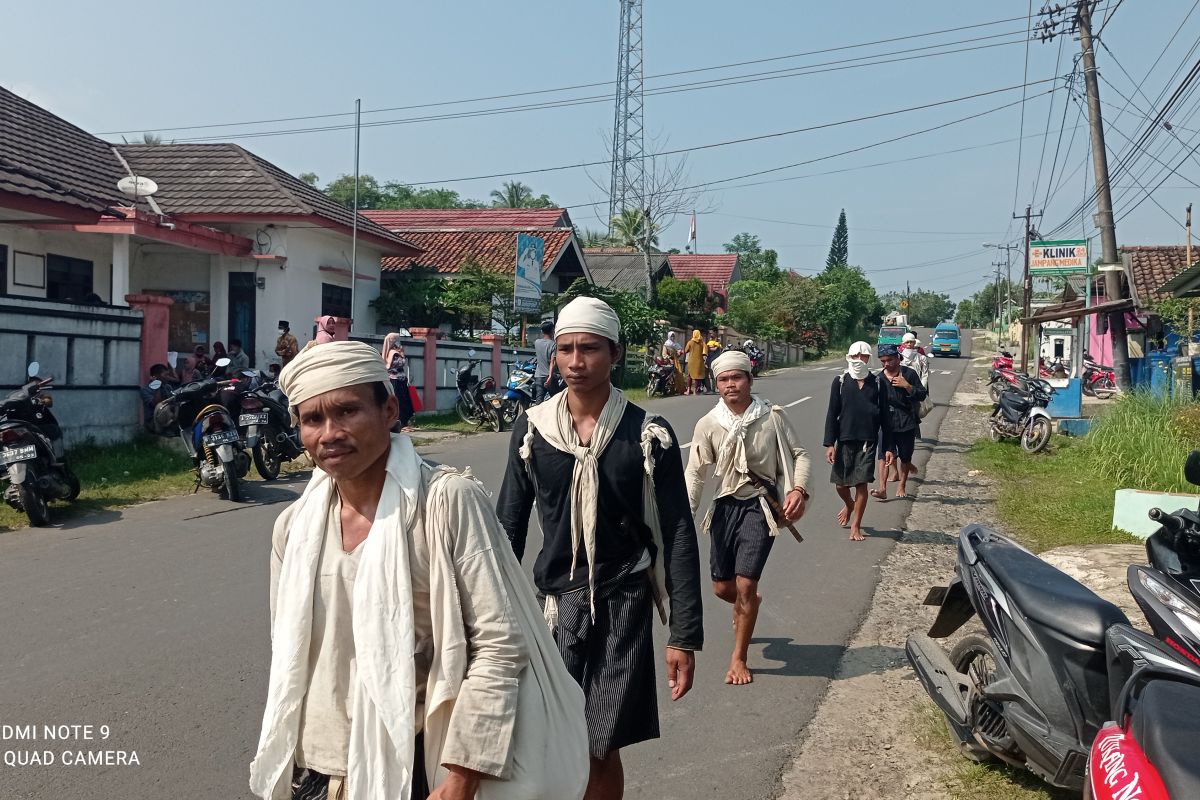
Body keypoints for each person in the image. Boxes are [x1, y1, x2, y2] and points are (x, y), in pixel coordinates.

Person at [250, 340, 588, 800]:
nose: (330, 433)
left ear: (389, 410)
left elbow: (500, 644)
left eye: (347, 412)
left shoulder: (445, 503)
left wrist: (463, 775)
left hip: (421, 765)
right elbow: (289, 650)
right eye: (313, 419)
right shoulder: (293, 528)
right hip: (321, 767)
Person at [497, 296, 704, 800]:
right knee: (547, 737)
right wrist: (488, 615)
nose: (575, 361)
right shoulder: (533, 430)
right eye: (565, 349)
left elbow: (678, 531)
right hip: (554, 605)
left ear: (616, 353)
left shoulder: (646, 435)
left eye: (589, 348)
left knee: (599, 744)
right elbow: (508, 527)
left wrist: (684, 635)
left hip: (623, 598)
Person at [685, 350, 810, 685]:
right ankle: (748, 603)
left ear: (749, 380)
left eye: (736, 377)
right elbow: (696, 473)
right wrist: (684, 517)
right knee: (721, 587)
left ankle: (738, 658)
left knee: (745, 583)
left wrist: (798, 489)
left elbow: (799, 454)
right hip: (725, 508)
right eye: (724, 380)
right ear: (717, 384)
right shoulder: (708, 424)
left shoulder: (772, 417)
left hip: (760, 506)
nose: (730, 385)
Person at [822, 341, 894, 542]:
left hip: (868, 441)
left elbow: (886, 420)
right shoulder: (841, 381)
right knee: (840, 485)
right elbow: (832, 413)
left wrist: (888, 447)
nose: (859, 360)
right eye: (855, 356)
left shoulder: (879, 383)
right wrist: (830, 443)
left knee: (861, 484)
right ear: (849, 357)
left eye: (863, 357)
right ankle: (850, 504)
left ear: (868, 359)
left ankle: (856, 525)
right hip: (844, 440)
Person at [871, 344, 927, 502]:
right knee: (883, 456)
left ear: (897, 358)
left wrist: (907, 386)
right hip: (885, 423)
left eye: (889, 360)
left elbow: (922, 395)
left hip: (906, 421)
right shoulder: (878, 379)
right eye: (883, 361)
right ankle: (882, 488)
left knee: (905, 456)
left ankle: (902, 485)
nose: (886, 364)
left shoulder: (909, 374)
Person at [383, 332, 416, 432]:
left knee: (404, 401)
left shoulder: (391, 352)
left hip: (398, 380)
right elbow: (400, 363)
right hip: (396, 380)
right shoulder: (393, 353)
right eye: (397, 340)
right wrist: (402, 354)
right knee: (401, 402)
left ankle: (404, 422)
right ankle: (401, 423)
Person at [533, 321, 557, 405]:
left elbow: (539, 357)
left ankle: (535, 417)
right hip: (548, 377)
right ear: (552, 330)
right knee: (556, 400)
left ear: (542, 331)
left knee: (539, 401)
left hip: (538, 376)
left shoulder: (537, 342)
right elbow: (552, 362)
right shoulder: (553, 345)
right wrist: (550, 376)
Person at [684, 329, 708, 395]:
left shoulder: (690, 342)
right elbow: (705, 350)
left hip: (691, 360)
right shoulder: (702, 343)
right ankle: (695, 391)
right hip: (699, 361)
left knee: (690, 375)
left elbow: (686, 350)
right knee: (697, 376)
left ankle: (688, 390)